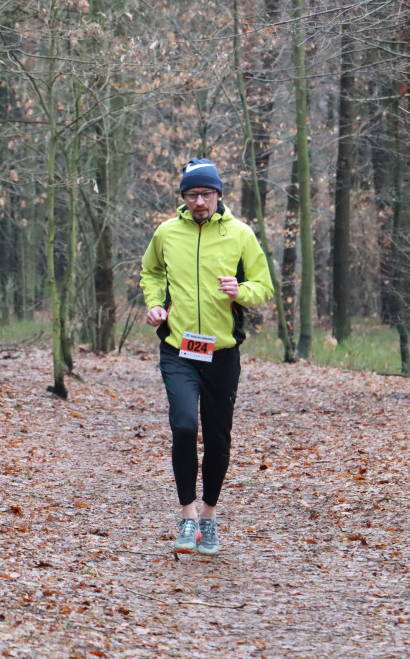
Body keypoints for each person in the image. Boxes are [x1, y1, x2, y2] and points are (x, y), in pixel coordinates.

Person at [140, 158, 274, 555]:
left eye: (207, 194)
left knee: (217, 440)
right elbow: (150, 272)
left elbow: (263, 285)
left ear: (219, 195)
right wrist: (154, 305)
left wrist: (241, 292)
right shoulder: (166, 233)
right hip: (178, 349)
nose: (200, 202)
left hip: (222, 353)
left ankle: (209, 519)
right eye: (192, 194)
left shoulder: (241, 234)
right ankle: (187, 516)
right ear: (182, 197)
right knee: (183, 426)